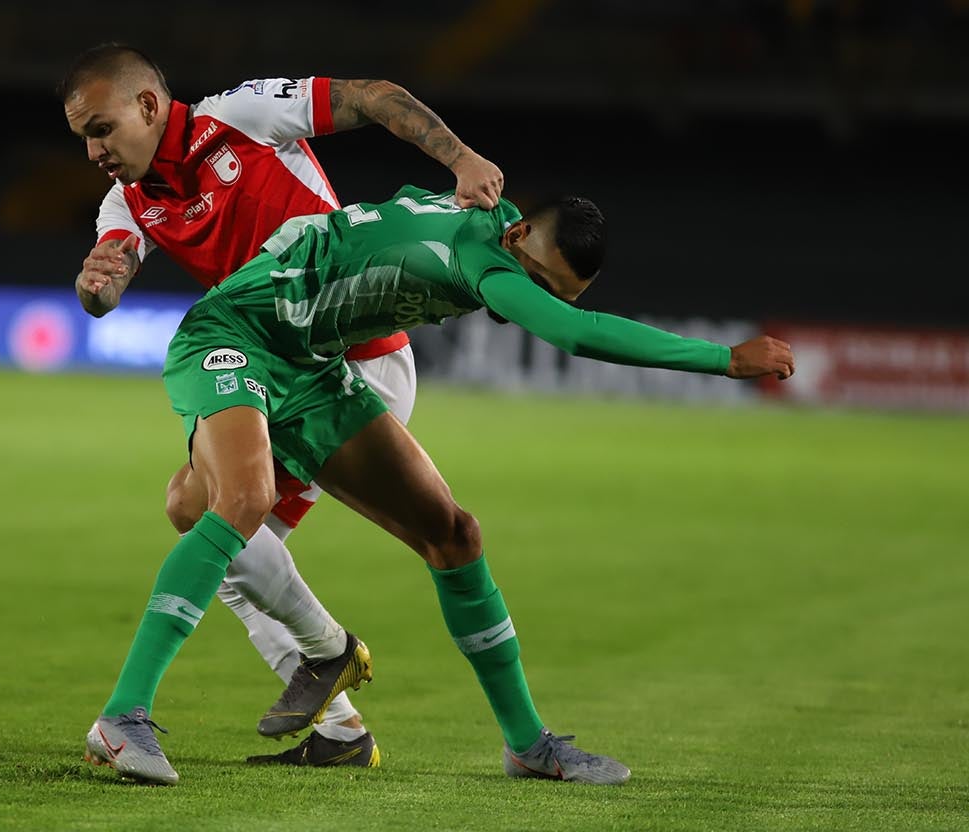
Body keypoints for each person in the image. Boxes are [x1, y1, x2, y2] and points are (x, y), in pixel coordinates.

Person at [82, 184, 796, 786]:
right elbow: (575, 335)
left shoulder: (483, 213)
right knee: (243, 500)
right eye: (538, 282)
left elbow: (397, 211)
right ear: (517, 237)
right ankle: (122, 717)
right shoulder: (484, 260)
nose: (529, 297)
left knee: (452, 535)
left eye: (553, 290)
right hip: (233, 333)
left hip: (308, 362)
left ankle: (528, 744)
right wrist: (723, 359)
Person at [61, 43, 506, 767]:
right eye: (82, 136)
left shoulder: (238, 117)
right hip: (273, 369)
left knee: (209, 518)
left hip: (357, 365)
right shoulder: (128, 201)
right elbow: (107, 283)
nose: (92, 151)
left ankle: (328, 659)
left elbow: (369, 93)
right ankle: (340, 728)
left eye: (100, 128)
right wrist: (96, 283)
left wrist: (457, 158)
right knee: (221, 540)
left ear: (147, 105)